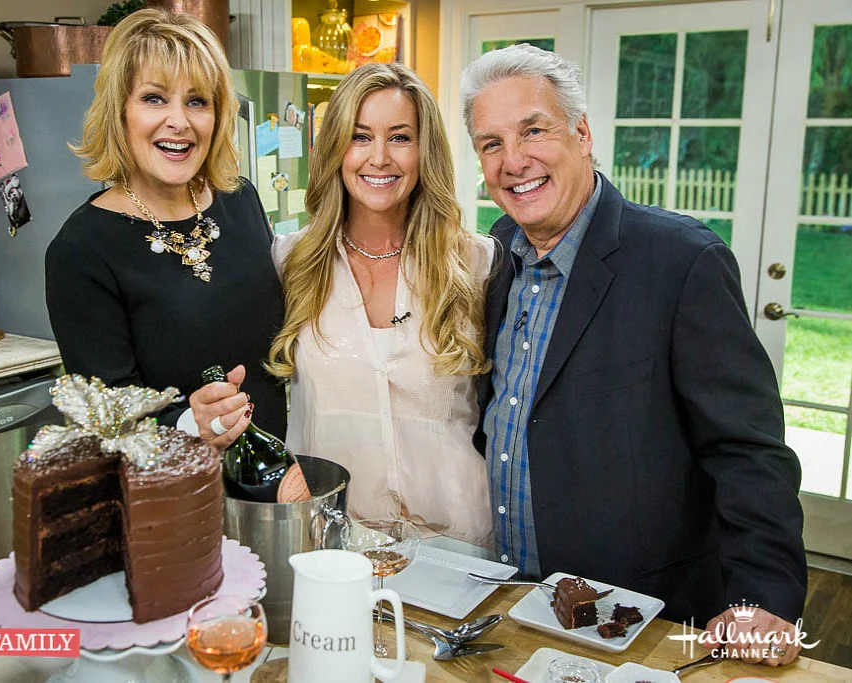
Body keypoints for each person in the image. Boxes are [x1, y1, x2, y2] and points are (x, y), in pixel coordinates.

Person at [462, 43, 807, 665]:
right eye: (491, 144)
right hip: (515, 602)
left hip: (641, 616)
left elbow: (747, 448)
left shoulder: (681, 261)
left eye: (533, 130)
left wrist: (764, 594)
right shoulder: (498, 252)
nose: (513, 161)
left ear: (582, 132)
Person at [192, 63, 495, 546]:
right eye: (359, 137)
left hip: (458, 540)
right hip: (328, 538)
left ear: (425, 151)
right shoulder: (288, 262)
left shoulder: (476, 262)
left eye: (400, 137)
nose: (379, 157)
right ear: (335, 148)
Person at [45, 8, 286, 434]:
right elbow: (109, 418)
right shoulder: (82, 249)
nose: (179, 121)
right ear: (120, 112)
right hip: (176, 492)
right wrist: (192, 424)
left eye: (197, 101)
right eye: (154, 98)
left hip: (276, 477)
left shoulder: (241, 199)